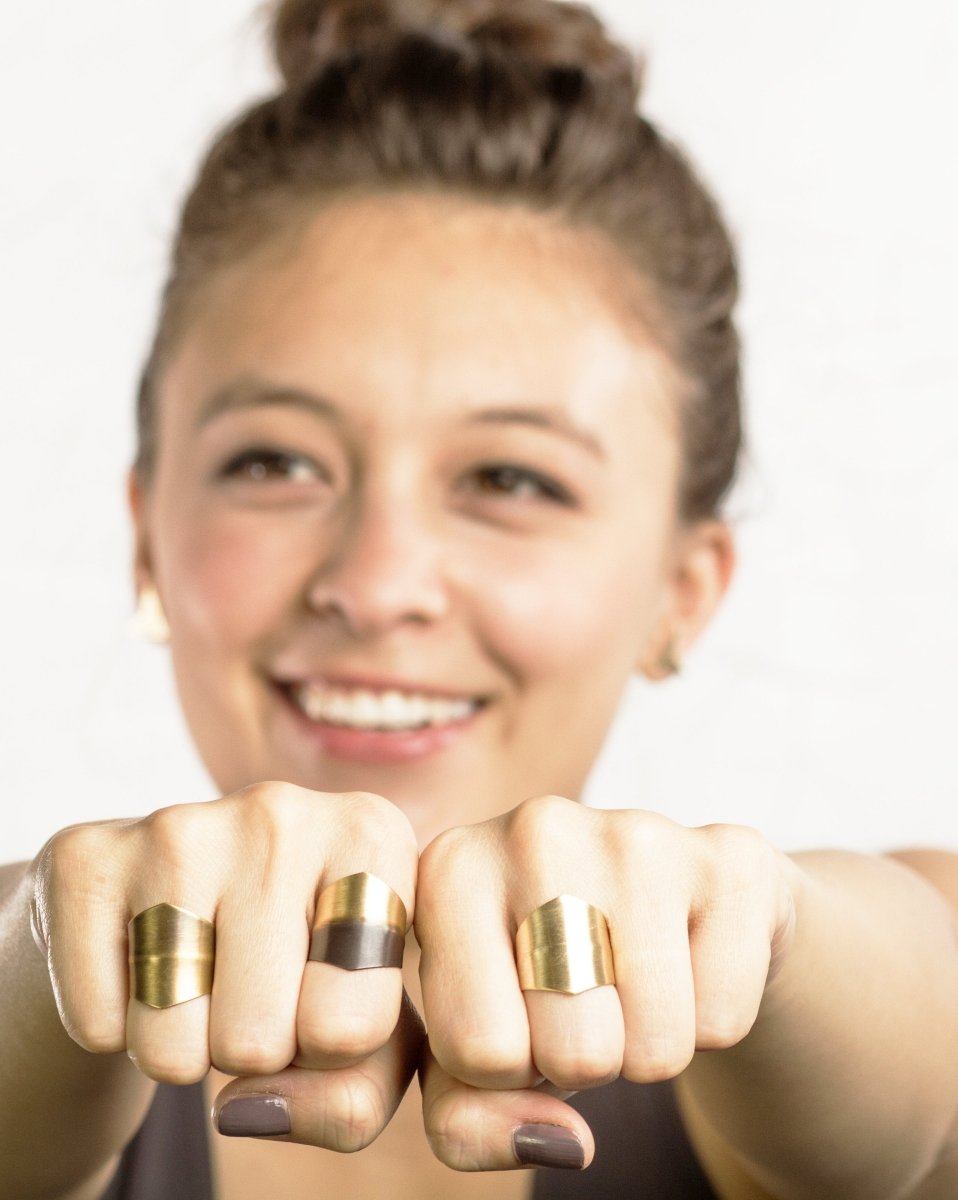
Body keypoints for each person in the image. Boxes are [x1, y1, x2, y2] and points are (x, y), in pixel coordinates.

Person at [2, 1, 957, 1197]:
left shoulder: (835, 981)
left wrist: (764, 935)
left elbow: (920, 1069)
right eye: (277, 463)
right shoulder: (29, 982)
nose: (377, 583)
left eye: (511, 479)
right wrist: (51, 955)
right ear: (149, 538)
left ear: (683, 588)